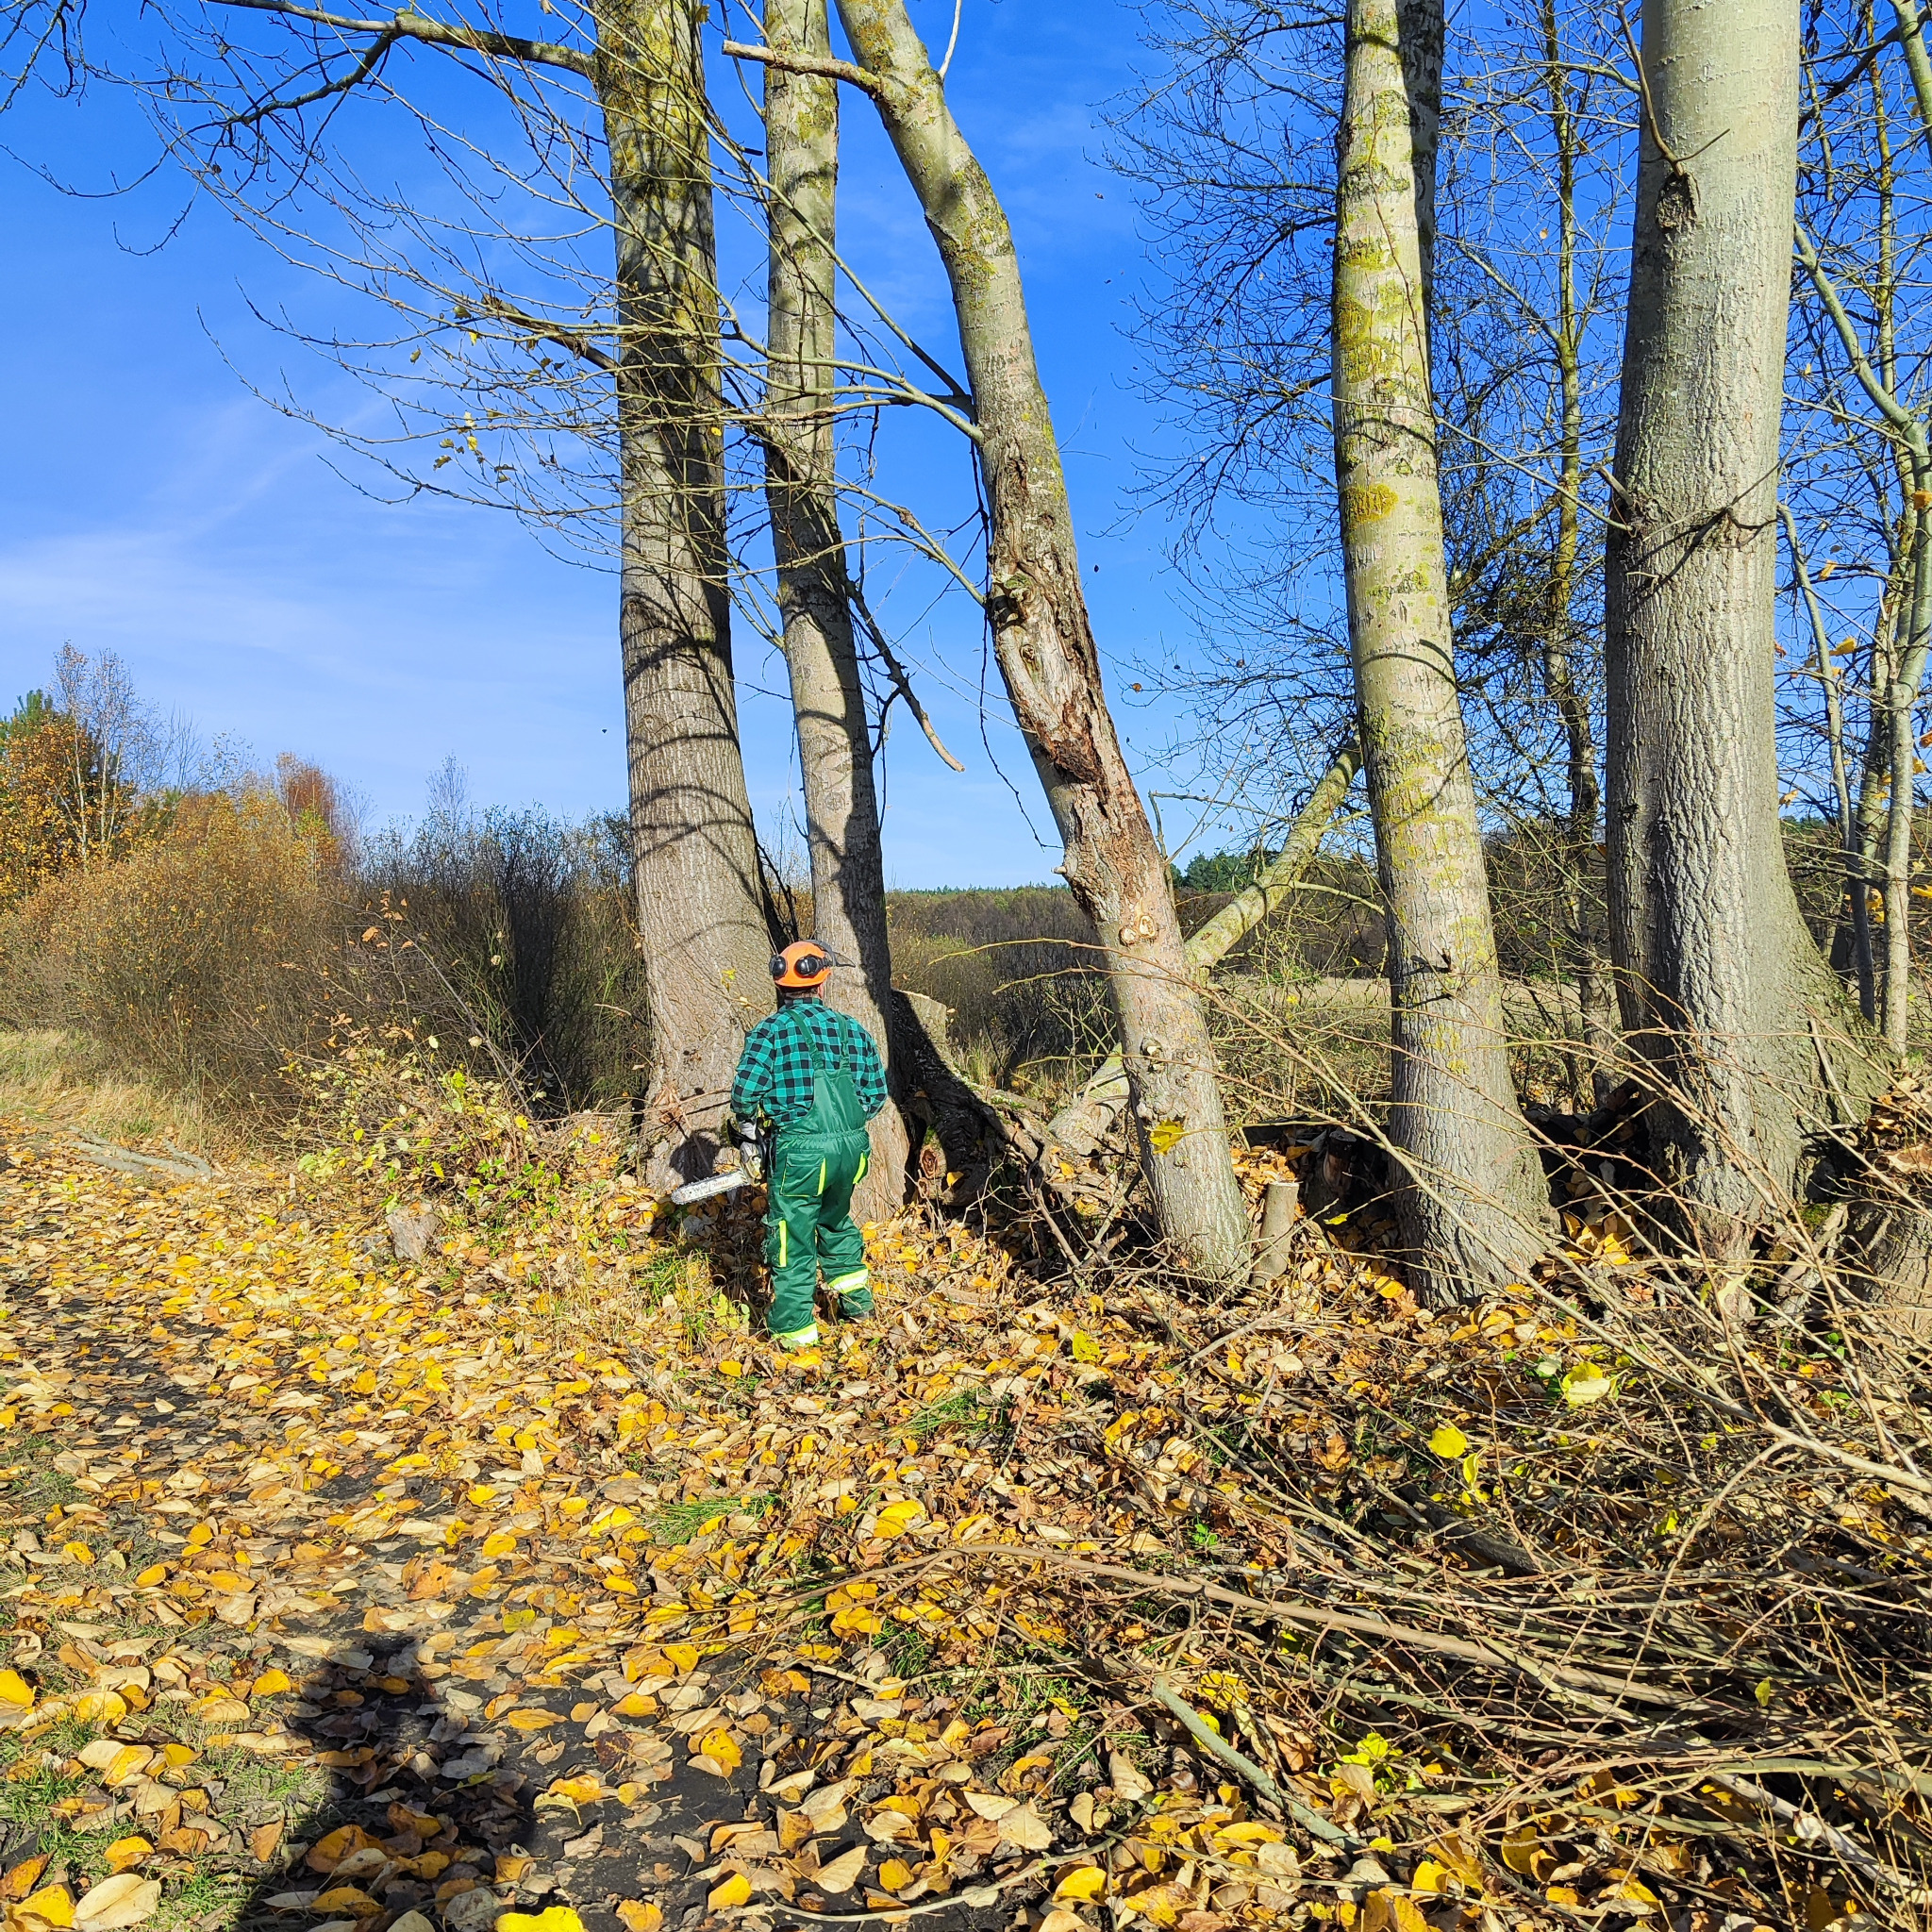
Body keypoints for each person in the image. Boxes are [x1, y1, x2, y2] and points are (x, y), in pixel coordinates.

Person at [730, 941, 889, 1350]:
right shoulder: (853, 1029)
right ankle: (858, 1306)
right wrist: (843, 1128)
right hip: (853, 1150)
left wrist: (754, 1129)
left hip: (801, 1151)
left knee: (791, 1235)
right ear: (821, 984)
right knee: (835, 1221)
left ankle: (795, 1332)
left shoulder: (770, 1032)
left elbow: (744, 1096)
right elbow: (874, 1095)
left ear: (780, 987)